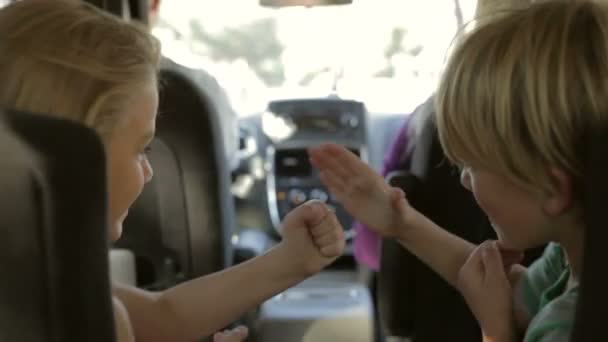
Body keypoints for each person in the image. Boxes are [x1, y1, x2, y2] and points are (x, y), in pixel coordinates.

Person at [0, 1, 346, 342]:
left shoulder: (31, 277)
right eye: (142, 149)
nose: (149, 172)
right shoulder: (87, 315)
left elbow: (162, 316)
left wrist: (292, 259)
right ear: (74, 155)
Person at [310, 1, 605, 341]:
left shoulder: (566, 326)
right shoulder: (571, 253)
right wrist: (402, 223)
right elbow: (502, 290)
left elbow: (500, 309)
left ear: (553, 189)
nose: (465, 180)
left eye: (474, 165)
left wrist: (496, 330)